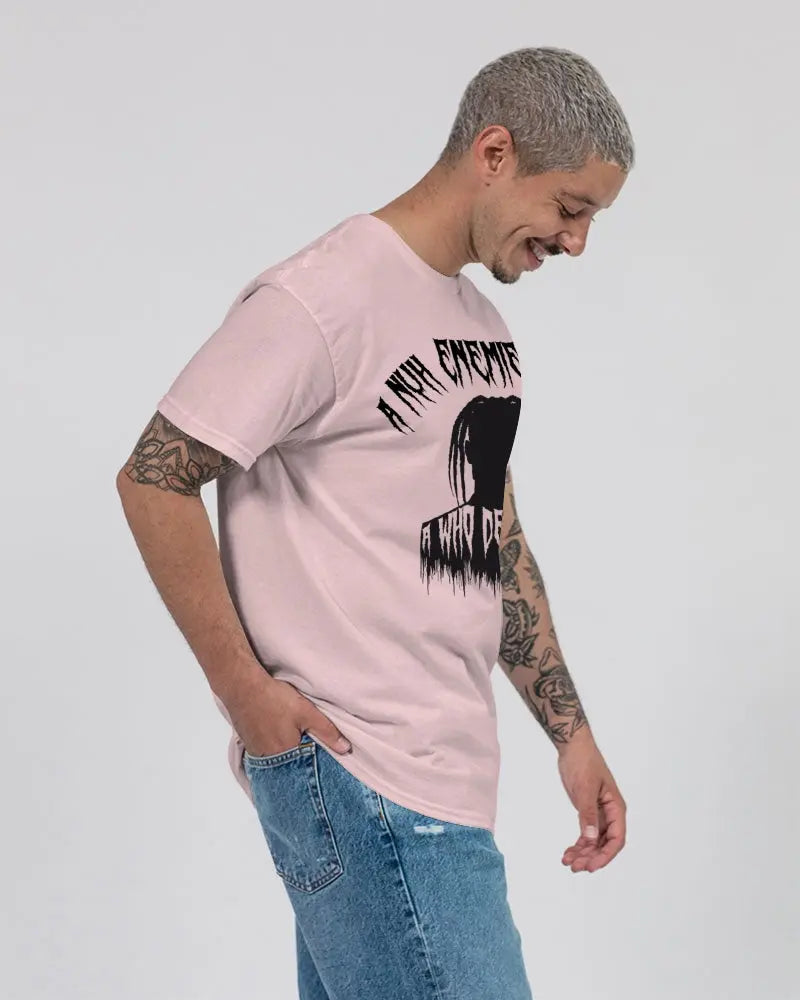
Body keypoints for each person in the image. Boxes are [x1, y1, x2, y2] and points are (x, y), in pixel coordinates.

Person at [117, 45, 633, 1000]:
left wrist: (570, 733)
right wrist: (247, 697)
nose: (575, 243)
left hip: (442, 782)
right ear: (494, 153)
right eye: (570, 208)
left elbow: (491, 536)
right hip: (365, 775)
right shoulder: (320, 298)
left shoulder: (483, 331)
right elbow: (154, 479)